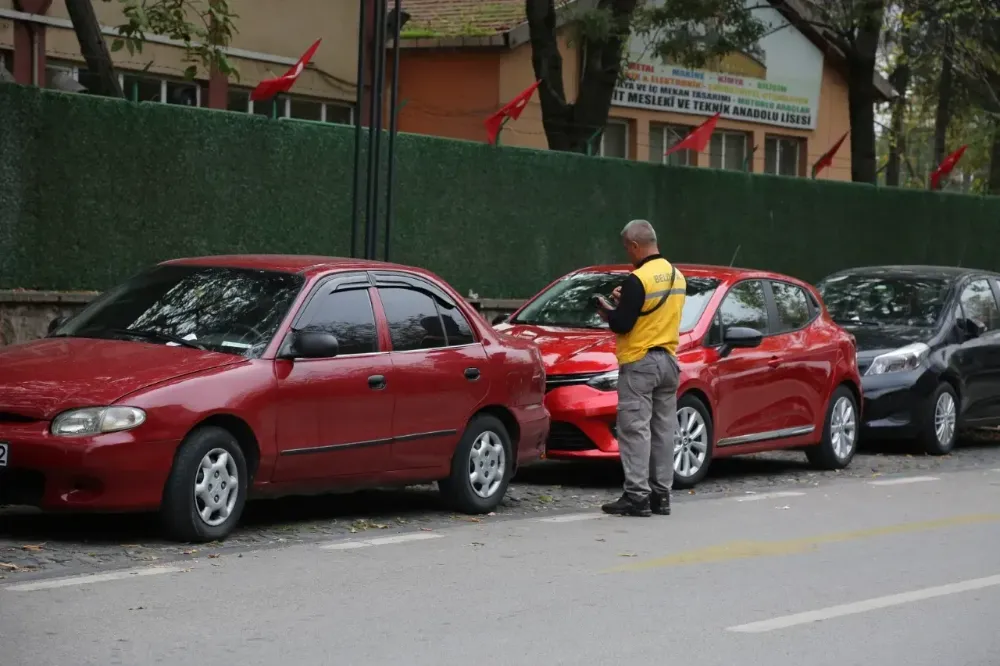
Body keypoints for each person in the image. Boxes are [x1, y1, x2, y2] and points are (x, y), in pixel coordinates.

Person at [595, 219, 686, 517]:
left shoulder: (638, 279)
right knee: (663, 429)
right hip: (669, 361)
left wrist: (607, 311)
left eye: (627, 249)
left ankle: (637, 496)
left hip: (640, 361)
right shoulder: (677, 276)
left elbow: (623, 324)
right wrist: (628, 304)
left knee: (635, 429)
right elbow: (651, 312)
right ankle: (662, 496)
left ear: (635, 245)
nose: (627, 254)